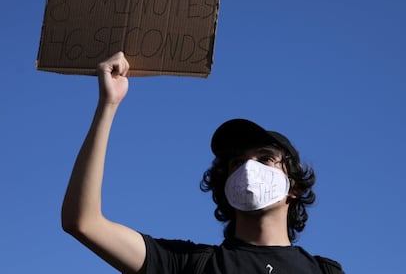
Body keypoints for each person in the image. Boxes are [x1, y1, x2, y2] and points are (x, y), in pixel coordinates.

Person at [61, 52, 345, 273]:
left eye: (264, 158)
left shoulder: (325, 271)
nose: (248, 169)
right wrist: (108, 104)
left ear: (293, 187)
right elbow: (84, 223)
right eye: (237, 162)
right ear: (226, 184)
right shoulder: (187, 264)